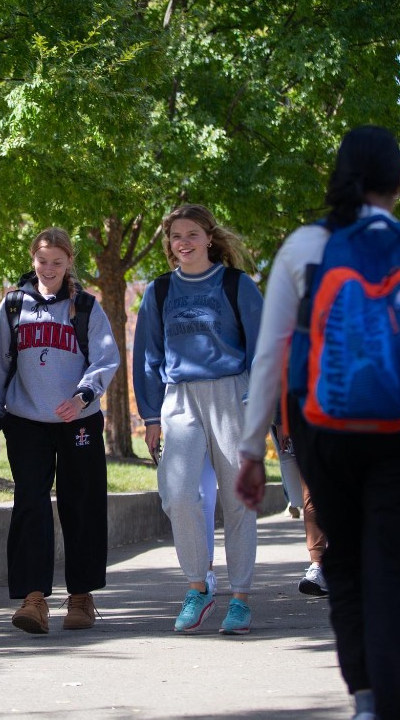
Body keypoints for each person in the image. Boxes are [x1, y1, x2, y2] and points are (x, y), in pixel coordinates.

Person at [236, 126, 400, 720]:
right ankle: (395, 708)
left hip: (325, 431)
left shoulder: (303, 248)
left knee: (343, 565)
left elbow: (271, 355)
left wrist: (249, 451)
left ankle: (365, 699)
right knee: (396, 570)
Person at [133, 204, 266, 635]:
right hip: (179, 400)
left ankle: (241, 597)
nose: (183, 242)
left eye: (192, 234)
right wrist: (150, 415)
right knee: (179, 495)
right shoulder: (158, 291)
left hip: (232, 393)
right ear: (169, 245)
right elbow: (148, 356)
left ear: (209, 238)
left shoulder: (237, 285)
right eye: (176, 236)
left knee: (237, 499)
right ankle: (198, 586)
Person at [0, 227, 121, 634]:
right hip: (26, 422)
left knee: (82, 505)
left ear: (69, 264)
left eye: (57, 263)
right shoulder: (12, 306)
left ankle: (80, 596)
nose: (48, 269)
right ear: (33, 260)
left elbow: (105, 360)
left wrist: (82, 396)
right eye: (42, 261)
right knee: (30, 504)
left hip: (77, 421)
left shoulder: (86, 307)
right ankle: (33, 599)